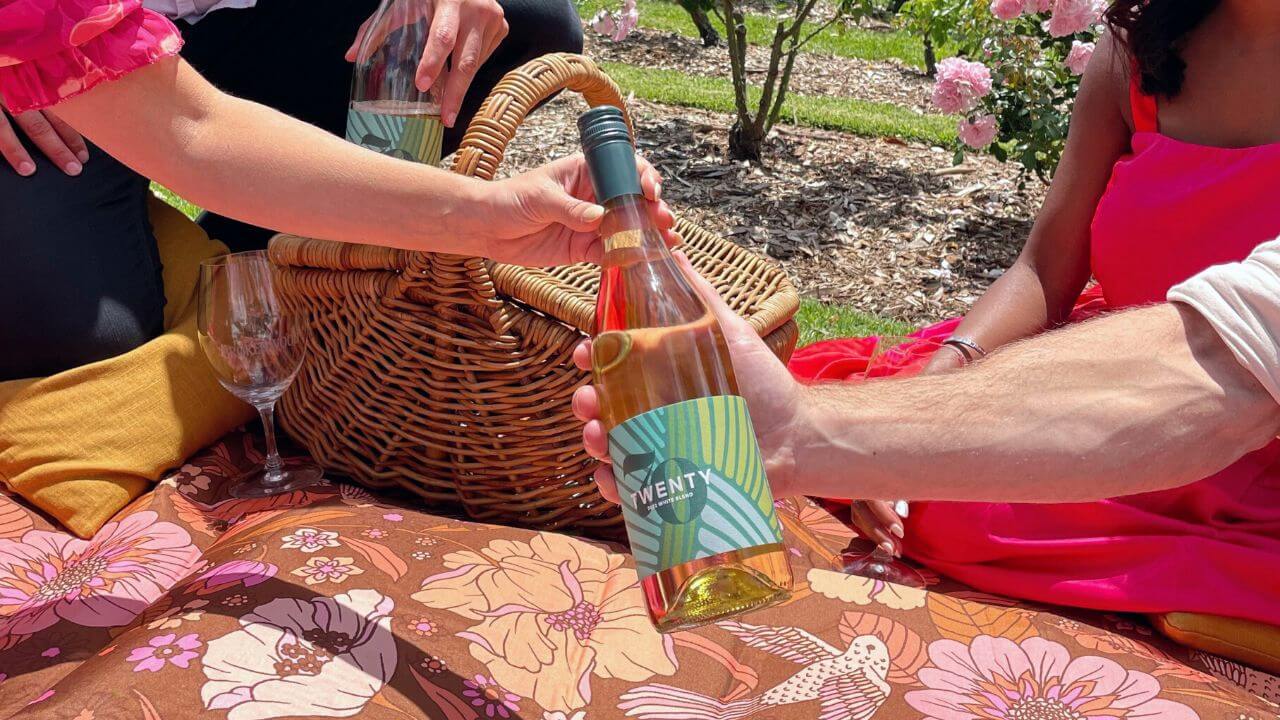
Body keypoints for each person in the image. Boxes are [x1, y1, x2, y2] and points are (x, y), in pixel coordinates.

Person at [782, 0, 1280, 610]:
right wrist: (943, 380)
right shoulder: (1139, 45)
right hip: (1106, 385)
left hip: (1246, 444)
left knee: (950, 494)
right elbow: (1045, 268)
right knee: (912, 474)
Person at [572, 241, 1280, 626]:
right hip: (1121, 366)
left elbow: (1227, 370)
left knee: (960, 504)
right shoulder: (1138, 46)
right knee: (926, 477)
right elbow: (1045, 265)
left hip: (1226, 442)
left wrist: (817, 436)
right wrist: (927, 386)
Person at [0, 0, 651, 381]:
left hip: (260, 20)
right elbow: (191, 133)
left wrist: (485, 217)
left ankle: (272, 252)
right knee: (86, 345)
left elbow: (198, 133)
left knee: (528, 15)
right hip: (56, 46)